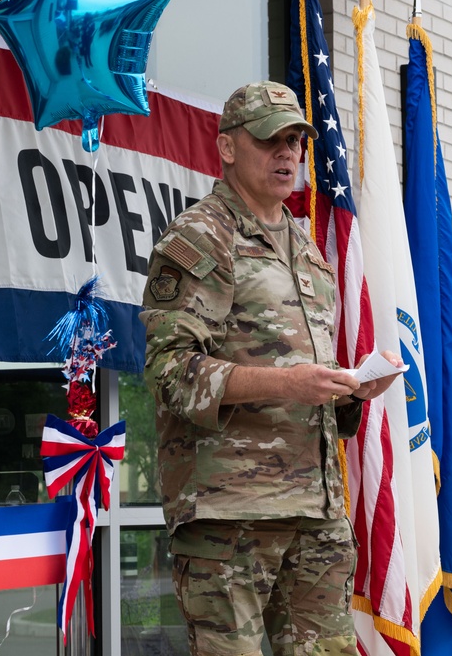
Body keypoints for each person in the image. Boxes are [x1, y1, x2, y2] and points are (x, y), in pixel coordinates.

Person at [140, 81, 402, 656]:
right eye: (270, 141)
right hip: (229, 510)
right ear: (228, 148)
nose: (288, 154)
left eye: (296, 142)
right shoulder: (200, 237)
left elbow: (304, 377)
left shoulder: (305, 246)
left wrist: (350, 388)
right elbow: (170, 372)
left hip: (316, 508)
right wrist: (289, 383)